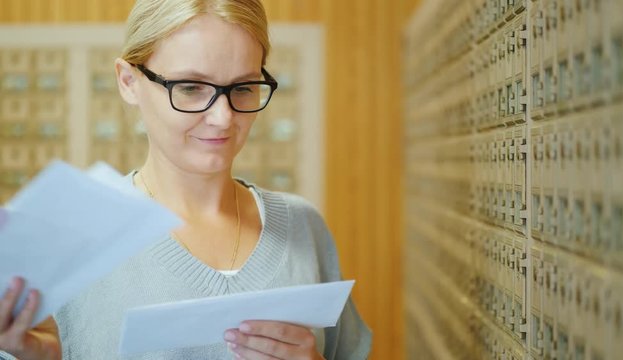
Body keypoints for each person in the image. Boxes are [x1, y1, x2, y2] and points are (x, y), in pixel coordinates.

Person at [0, 0, 372, 359]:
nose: (223, 118)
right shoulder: (66, 243)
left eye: (242, 88)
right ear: (128, 81)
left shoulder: (304, 228)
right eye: (192, 88)